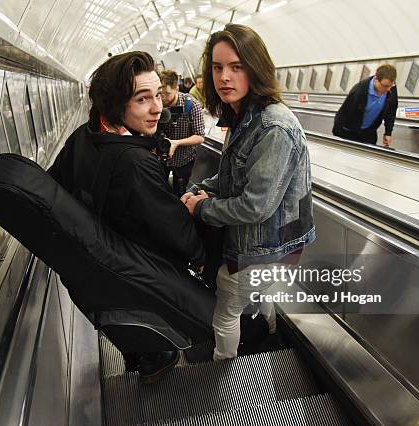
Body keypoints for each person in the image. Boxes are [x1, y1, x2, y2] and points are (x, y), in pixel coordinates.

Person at [47, 51, 205, 382]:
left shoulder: (83, 136)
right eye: (141, 99)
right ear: (117, 103)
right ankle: (161, 355)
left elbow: (55, 183)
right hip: (136, 263)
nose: (157, 107)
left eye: (157, 95)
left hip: (100, 265)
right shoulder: (135, 162)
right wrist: (199, 254)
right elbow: (172, 227)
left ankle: (148, 356)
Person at [181, 24, 315, 361]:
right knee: (256, 293)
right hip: (261, 245)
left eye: (236, 67)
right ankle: (269, 338)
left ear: (255, 68)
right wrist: (200, 189)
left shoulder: (274, 127)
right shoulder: (243, 117)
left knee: (226, 306)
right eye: (217, 67)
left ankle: (224, 372)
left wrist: (201, 209)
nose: (225, 76)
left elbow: (256, 206)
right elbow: (232, 177)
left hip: (267, 245)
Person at [159, 69, 205, 197]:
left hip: (184, 159)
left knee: (179, 192)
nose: (162, 98)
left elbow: (200, 137)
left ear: (176, 89)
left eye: (167, 94)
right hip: (161, 159)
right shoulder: (157, 103)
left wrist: (176, 143)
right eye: (160, 94)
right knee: (159, 190)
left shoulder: (191, 105)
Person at [332, 64, 398, 147]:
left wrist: (388, 132)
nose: (388, 89)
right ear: (376, 79)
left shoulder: (391, 89)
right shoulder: (359, 91)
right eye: (385, 86)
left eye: (391, 85)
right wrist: (337, 137)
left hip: (368, 133)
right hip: (349, 132)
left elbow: (391, 111)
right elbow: (344, 113)